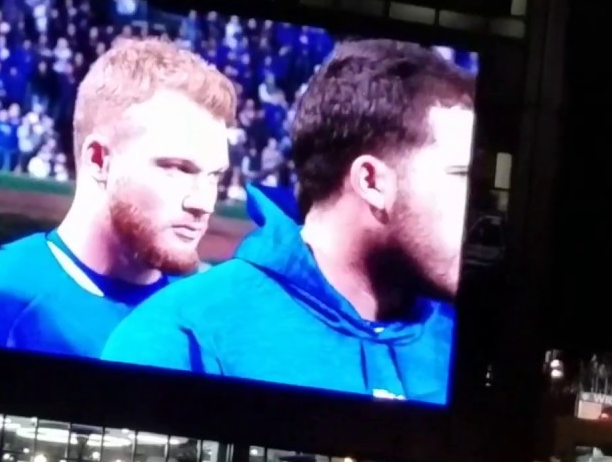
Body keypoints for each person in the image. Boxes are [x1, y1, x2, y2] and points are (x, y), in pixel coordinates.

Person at [100, 39, 474, 404]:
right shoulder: (180, 339)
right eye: (461, 176)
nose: (481, 212)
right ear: (372, 182)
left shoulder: (467, 343)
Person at [0, 38, 237, 358]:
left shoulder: (217, 320)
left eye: (214, 176)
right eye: (178, 169)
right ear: (99, 160)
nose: (203, 203)